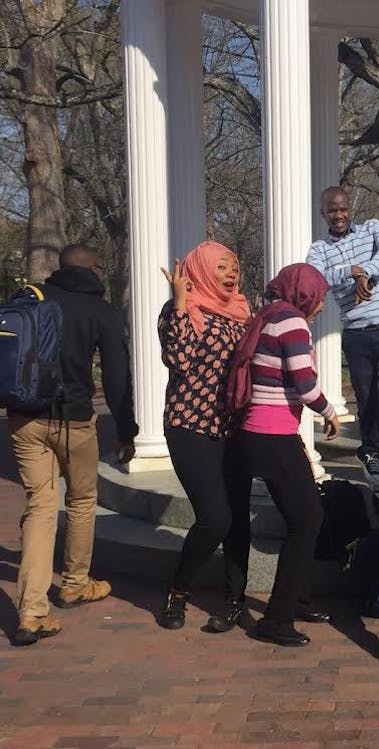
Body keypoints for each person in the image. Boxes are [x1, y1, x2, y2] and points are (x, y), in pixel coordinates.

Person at [8, 243, 138, 646]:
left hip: (24, 418)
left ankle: (31, 613)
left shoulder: (30, 299)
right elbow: (117, 380)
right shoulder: (100, 311)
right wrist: (126, 429)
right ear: (96, 270)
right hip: (74, 419)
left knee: (40, 507)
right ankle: (75, 584)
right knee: (81, 501)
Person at [228, 263, 341, 647]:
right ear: (305, 293)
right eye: (320, 297)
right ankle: (276, 619)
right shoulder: (291, 321)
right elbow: (305, 385)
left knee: (303, 517)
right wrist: (330, 411)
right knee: (308, 519)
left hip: (254, 434)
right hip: (274, 435)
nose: (322, 306)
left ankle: (297, 598)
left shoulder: (269, 315)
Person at [156, 241, 253, 632]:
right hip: (190, 425)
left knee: (239, 520)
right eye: (222, 268)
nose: (232, 273)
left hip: (234, 428)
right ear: (201, 270)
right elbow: (178, 360)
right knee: (215, 518)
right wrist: (179, 302)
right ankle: (177, 591)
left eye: (234, 266)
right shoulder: (183, 310)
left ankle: (234, 600)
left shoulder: (242, 312)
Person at [306, 186, 379, 496]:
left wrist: (366, 274)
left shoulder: (374, 229)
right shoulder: (319, 248)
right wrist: (353, 271)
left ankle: (375, 447)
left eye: (343, 209)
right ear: (324, 214)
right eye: (332, 210)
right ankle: (374, 454)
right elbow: (316, 276)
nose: (339, 215)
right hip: (357, 334)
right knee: (366, 397)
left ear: (350, 208)